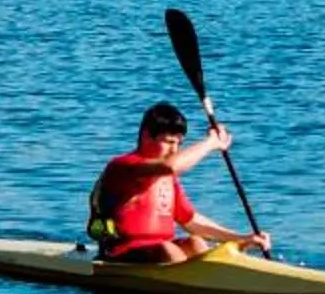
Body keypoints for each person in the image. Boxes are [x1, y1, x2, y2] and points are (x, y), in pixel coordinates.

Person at [86, 101, 269, 265]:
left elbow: (190, 220)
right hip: (120, 253)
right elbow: (171, 167)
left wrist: (240, 239)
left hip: (158, 252)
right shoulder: (124, 166)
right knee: (168, 249)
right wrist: (211, 142)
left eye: (179, 143)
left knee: (195, 242)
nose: (175, 150)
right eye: (169, 142)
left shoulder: (167, 176)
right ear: (147, 136)